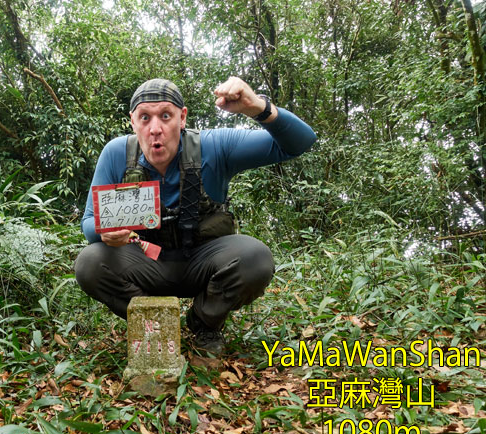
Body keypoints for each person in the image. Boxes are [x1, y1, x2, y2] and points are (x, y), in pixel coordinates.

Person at [75, 77, 316, 354]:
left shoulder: (215, 147)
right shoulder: (117, 154)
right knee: (89, 263)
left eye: (166, 116)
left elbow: (300, 143)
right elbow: (89, 222)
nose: (155, 129)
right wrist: (104, 232)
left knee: (256, 258)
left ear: (182, 117)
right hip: (146, 263)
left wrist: (257, 107)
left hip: (202, 262)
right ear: (133, 121)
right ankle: (157, 325)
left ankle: (203, 323)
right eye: (145, 118)